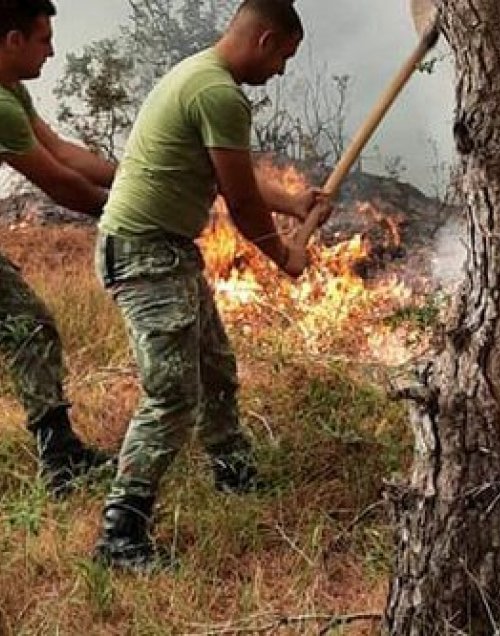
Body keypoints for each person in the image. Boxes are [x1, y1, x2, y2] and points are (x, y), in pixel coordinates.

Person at [92, 0, 328, 571]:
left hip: (163, 250)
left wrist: (294, 202)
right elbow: (242, 204)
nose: (281, 70)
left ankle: (231, 467)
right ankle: (121, 531)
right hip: (145, 253)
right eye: (285, 58)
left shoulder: (199, 73)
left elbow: (236, 178)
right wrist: (283, 256)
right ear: (267, 39)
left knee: (215, 367)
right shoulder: (218, 92)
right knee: (172, 391)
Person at [0, 0, 116, 495]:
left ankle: (60, 453)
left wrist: (138, 176)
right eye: (44, 39)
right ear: (13, 40)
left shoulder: (12, 92)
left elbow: (62, 152)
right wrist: (130, 214)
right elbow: (59, 183)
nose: (52, 51)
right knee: (29, 325)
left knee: (31, 327)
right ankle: (61, 457)